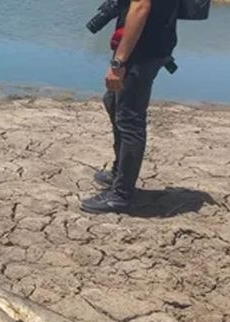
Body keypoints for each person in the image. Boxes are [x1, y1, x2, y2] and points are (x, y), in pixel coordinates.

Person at [80, 0, 180, 214]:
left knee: (129, 120)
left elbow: (141, 7)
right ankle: (119, 176)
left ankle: (121, 196)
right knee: (113, 102)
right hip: (150, 45)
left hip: (141, 51)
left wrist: (119, 63)